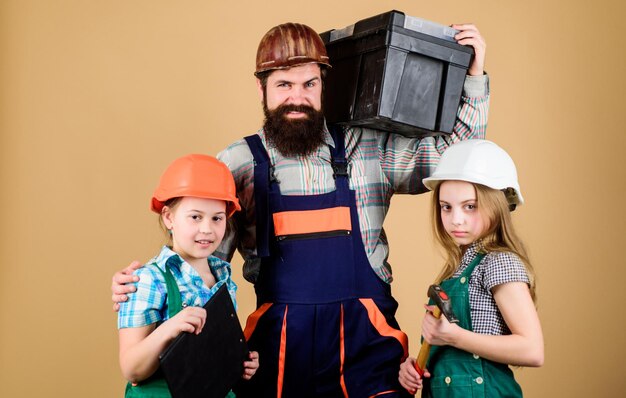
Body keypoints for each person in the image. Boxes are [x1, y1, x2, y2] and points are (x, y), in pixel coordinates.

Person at [112, 21, 489, 397]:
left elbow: (456, 160)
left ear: (324, 85)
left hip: (367, 348)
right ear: (261, 88)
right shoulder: (238, 163)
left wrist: (473, 79)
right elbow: (200, 261)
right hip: (277, 354)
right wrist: (146, 285)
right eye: (284, 85)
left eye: (309, 84)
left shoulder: (368, 148)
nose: (298, 97)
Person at [397, 139, 544, 397]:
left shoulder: (498, 262)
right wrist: (417, 366)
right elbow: (445, 351)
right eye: (446, 207)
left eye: (470, 206)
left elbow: (532, 350)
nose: (456, 219)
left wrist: (454, 336)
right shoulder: (452, 274)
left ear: (497, 204)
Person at [117, 154, 259, 397]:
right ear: (169, 217)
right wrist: (170, 328)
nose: (207, 229)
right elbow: (132, 369)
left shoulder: (224, 278)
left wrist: (241, 361)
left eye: (217, 218)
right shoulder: (148, 280)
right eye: (195, 217)